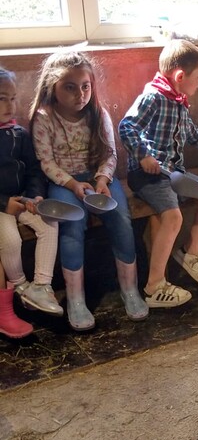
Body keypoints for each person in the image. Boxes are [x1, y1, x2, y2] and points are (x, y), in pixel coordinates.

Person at [29, 52, 148, 332]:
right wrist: (71, 184)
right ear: (52, 88)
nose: (80, 94)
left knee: (120, 216)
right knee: (71, 223)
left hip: (98, 179)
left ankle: (130, 290)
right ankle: (76, 300)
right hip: (63, 182)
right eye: (69, 87)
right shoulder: (44, 118)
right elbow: (45, 161)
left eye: (85, 86)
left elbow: (109, 154)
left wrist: (103, 180)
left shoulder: (98, 113)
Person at [119, 39, 198, 308]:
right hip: (148, 174)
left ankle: (189, 252)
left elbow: (192, 132)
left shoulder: (179, 102)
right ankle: (154, 287)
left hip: (172, 172)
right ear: (180, 76)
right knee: (172, 218)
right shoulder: (153, 97)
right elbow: (126, 126)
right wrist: (144, 156)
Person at [0, 67, 63, 321]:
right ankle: (20, 286)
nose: (10, 105)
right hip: (2, 207)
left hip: (23, 199)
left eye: (13, 98)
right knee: (11, 240)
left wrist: (35, 195)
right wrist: (5, 204)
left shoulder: (19, 134)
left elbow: (35, 170)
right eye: (2, 98)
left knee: (50, 223)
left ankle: (41, 286)